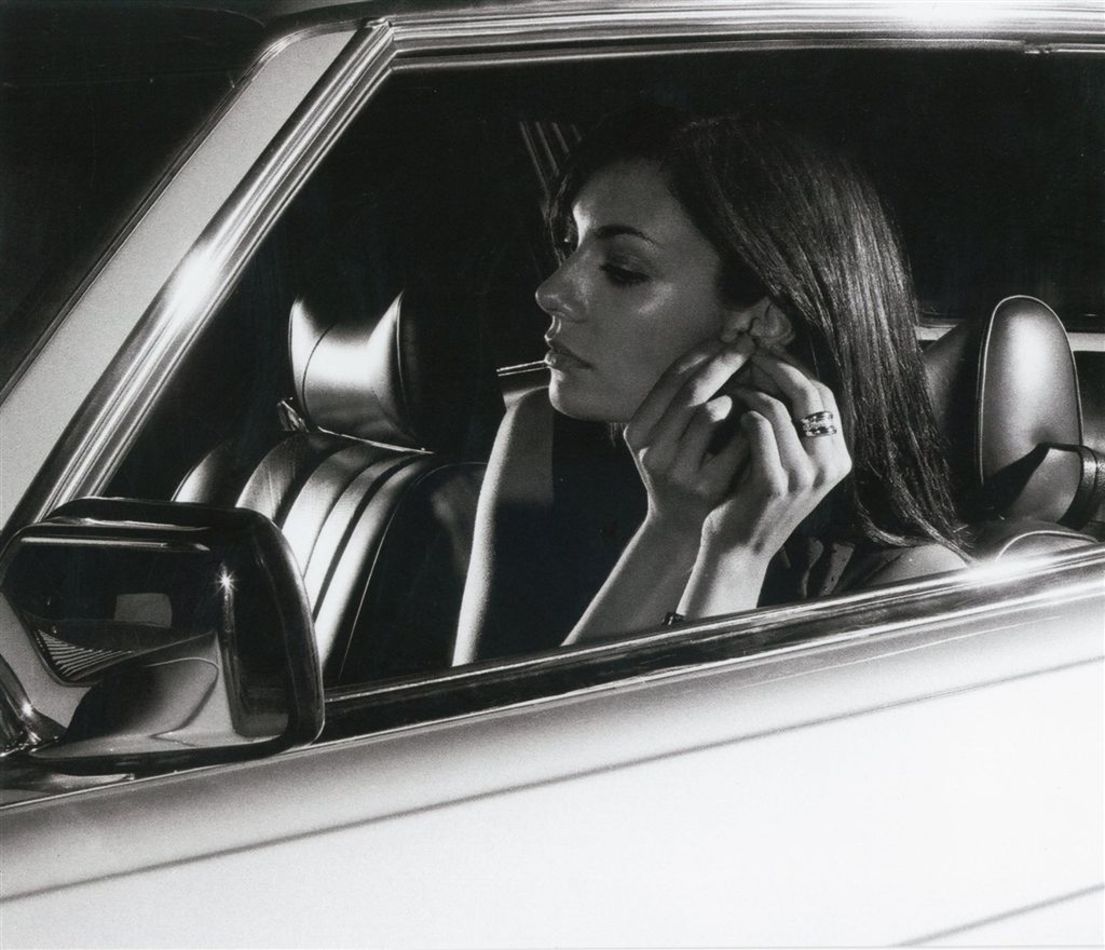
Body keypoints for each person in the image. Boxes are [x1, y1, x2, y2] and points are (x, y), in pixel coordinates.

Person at [453, 109, 966, 663]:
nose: (551, 291)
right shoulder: (542, 437)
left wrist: (734, 557)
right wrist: (671, 532)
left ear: (762, 321)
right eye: (568, 247)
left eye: (623, 270)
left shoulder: (911, 583)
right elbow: (477, 712)